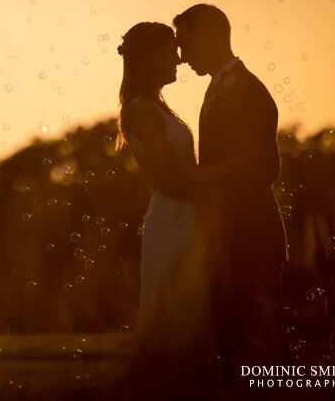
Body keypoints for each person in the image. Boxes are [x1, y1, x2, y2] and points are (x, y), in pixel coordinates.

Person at [172, 3, 289, 386]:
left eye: (184, 44)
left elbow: (265, 168)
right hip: (226, 232)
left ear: (208, 37)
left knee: (257, 339)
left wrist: (204, 182)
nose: (181, 56)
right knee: (231, 337)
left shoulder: (248, 90)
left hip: (250, 232)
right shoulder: (220, 86)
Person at [113, 23, 220, 395]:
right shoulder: (141, 109)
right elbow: (170, 181)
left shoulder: (156, 105)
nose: (178, 59)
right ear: (150, 57)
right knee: (172, 312)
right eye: (170, 51)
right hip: (173, 219)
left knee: (189, 312)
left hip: (184, 217)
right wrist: (235, 168)